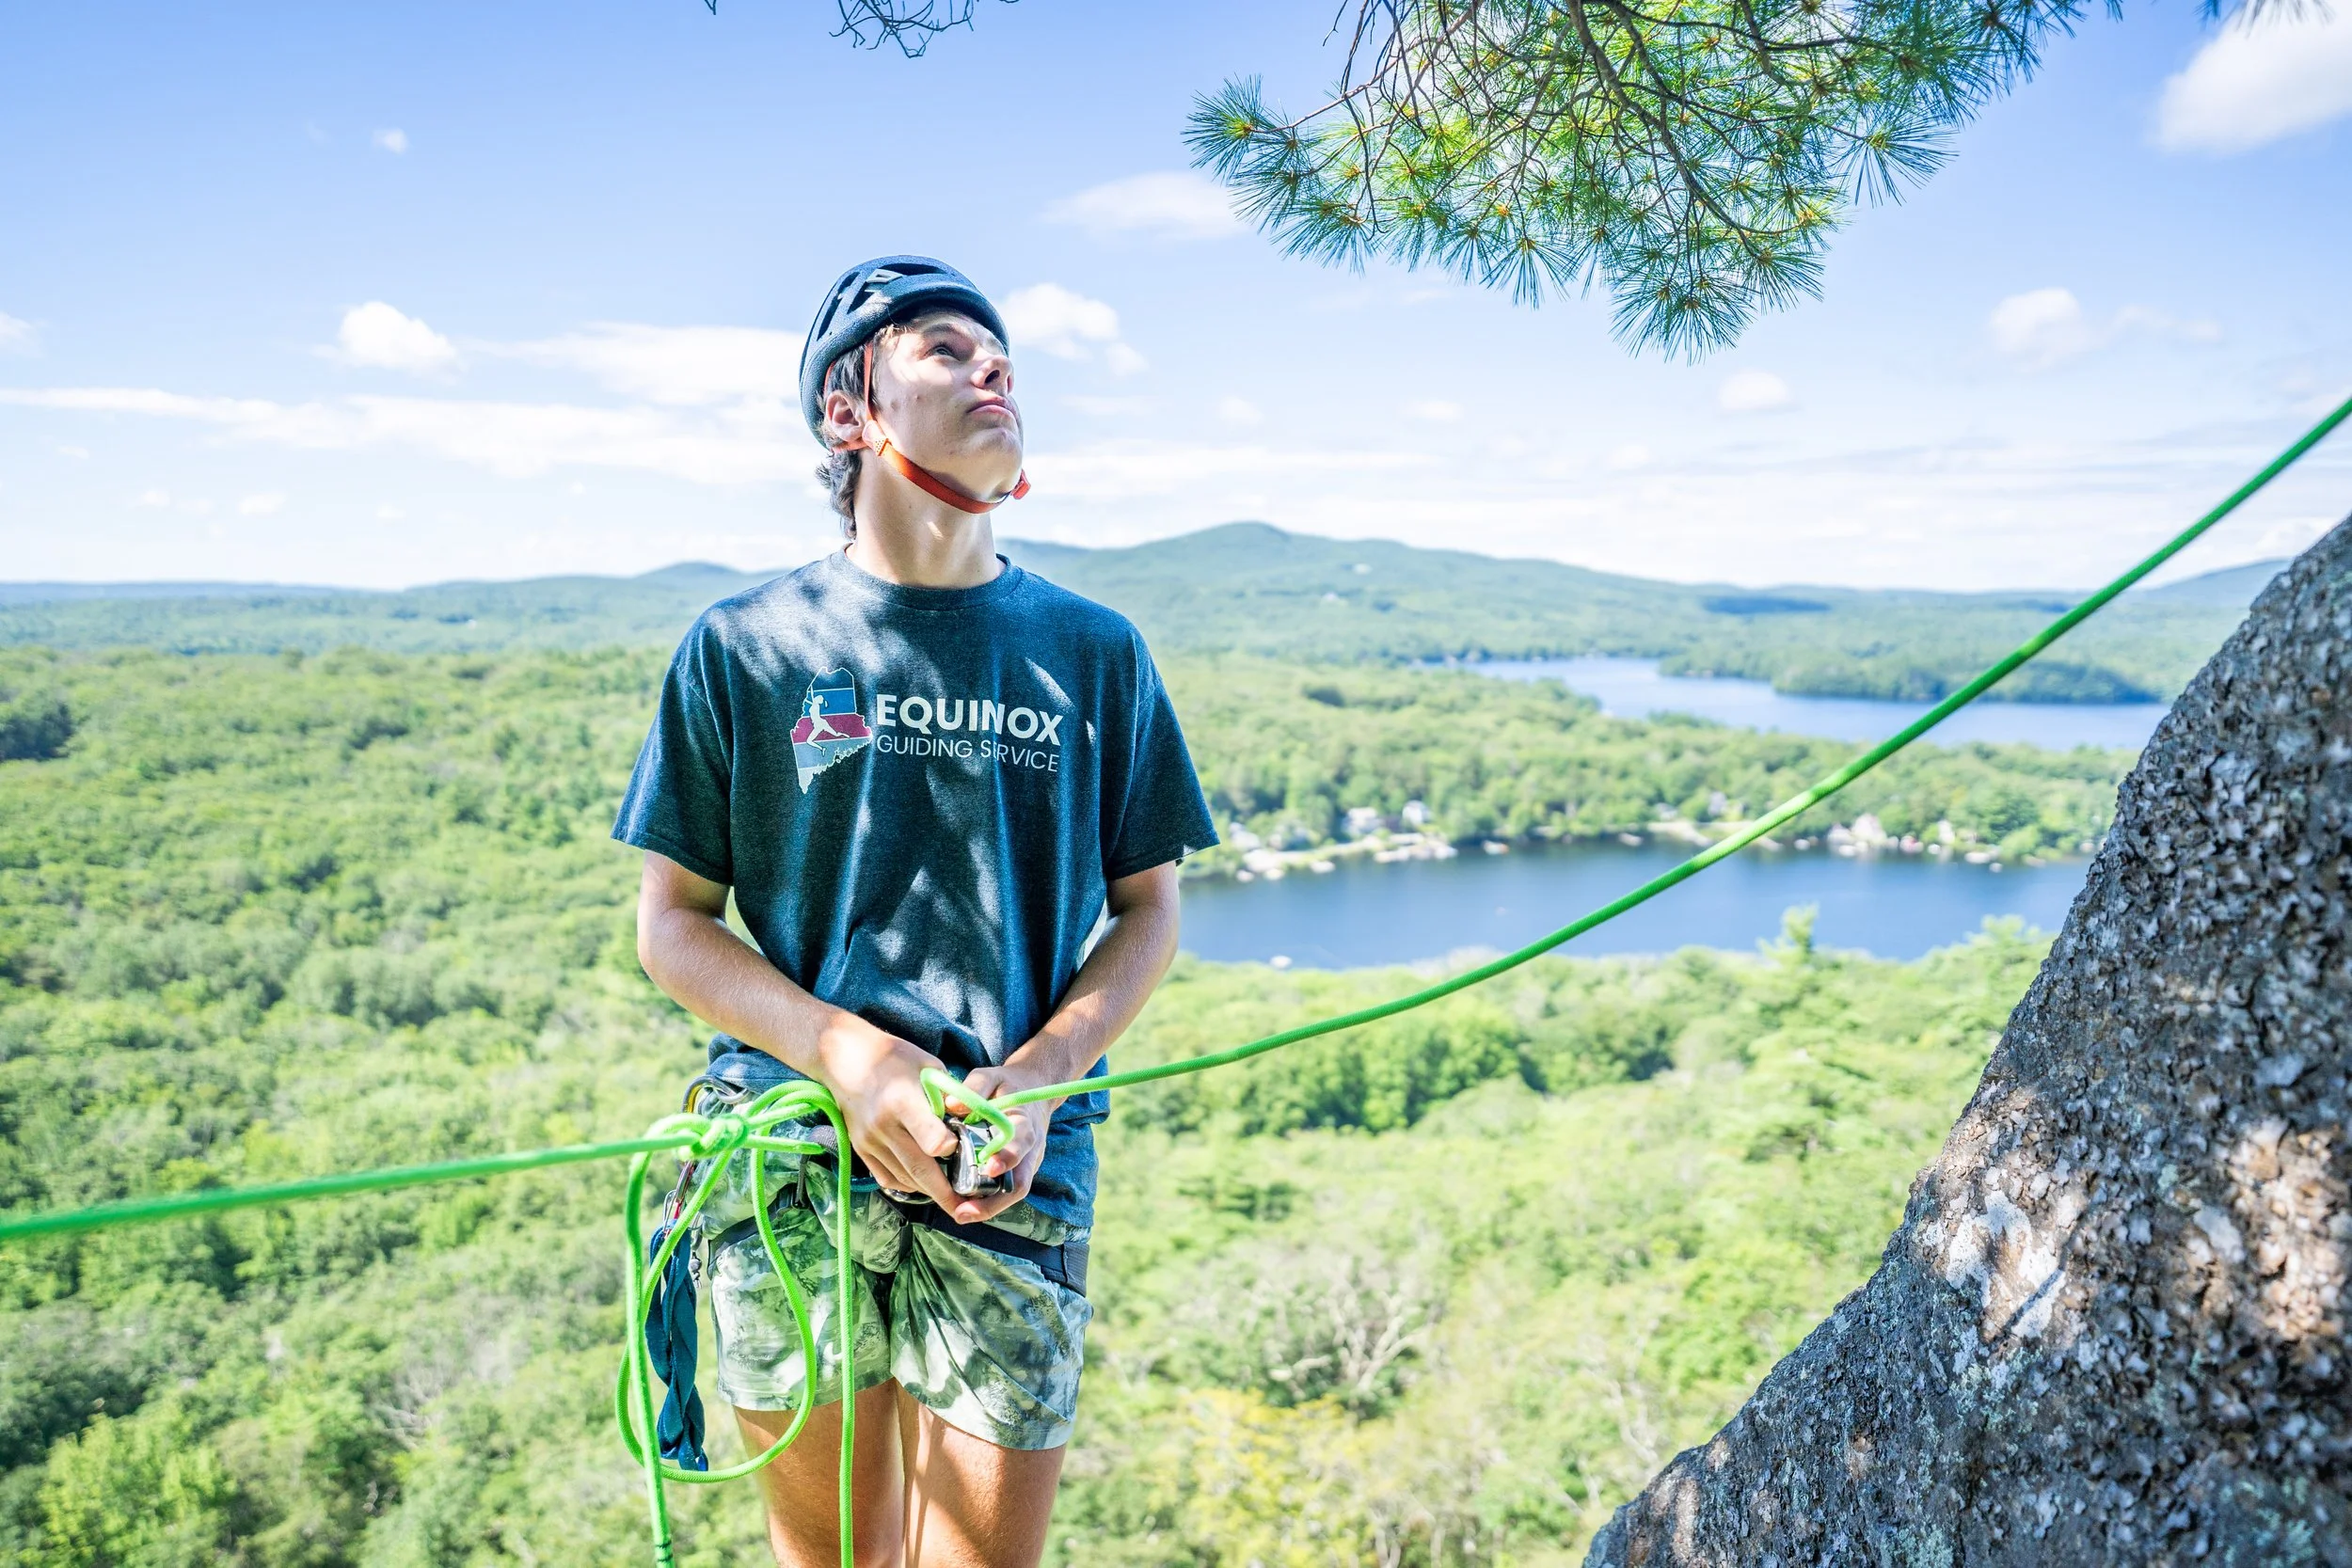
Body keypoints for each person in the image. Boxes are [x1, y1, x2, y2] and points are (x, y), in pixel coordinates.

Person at [613, 256, 1216, 1567]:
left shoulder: (1092, 649)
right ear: (852, 411)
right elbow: (673, 922)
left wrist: (1047, 1073)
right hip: (790, 1157)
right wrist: (848, 1053)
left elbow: (1149, 912)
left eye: (1003, 358)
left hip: (1018, 1160)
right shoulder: (745, 645)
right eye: (946, 350)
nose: (992, 369)